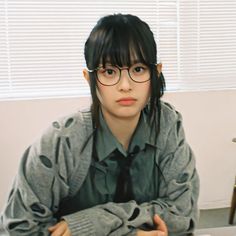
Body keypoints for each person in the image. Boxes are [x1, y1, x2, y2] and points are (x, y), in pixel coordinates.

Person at [0, 14, 199, 236]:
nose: (125, 85)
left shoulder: (166, 125)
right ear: (89, 78)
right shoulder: (62, 141)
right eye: (109, 72)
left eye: (138, 69)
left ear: (156, 72)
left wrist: (98, 220)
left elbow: (182, 217)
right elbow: (18, 230)